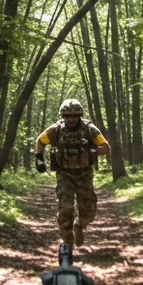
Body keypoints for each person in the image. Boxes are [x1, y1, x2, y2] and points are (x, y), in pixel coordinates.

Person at [33, 99, 109, 247]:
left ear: (80, 115)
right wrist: (39, 159)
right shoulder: (56, 130)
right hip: (64, 174)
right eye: (68, 116)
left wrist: (91, 150)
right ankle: (67, 242)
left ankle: (79, 225)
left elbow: (106, 147)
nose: (72, 119)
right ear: (63, 116)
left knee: (89, 212)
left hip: (85, 174)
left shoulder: (89, 129)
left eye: (75, 115)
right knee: (65, 207)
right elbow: (40, 141)